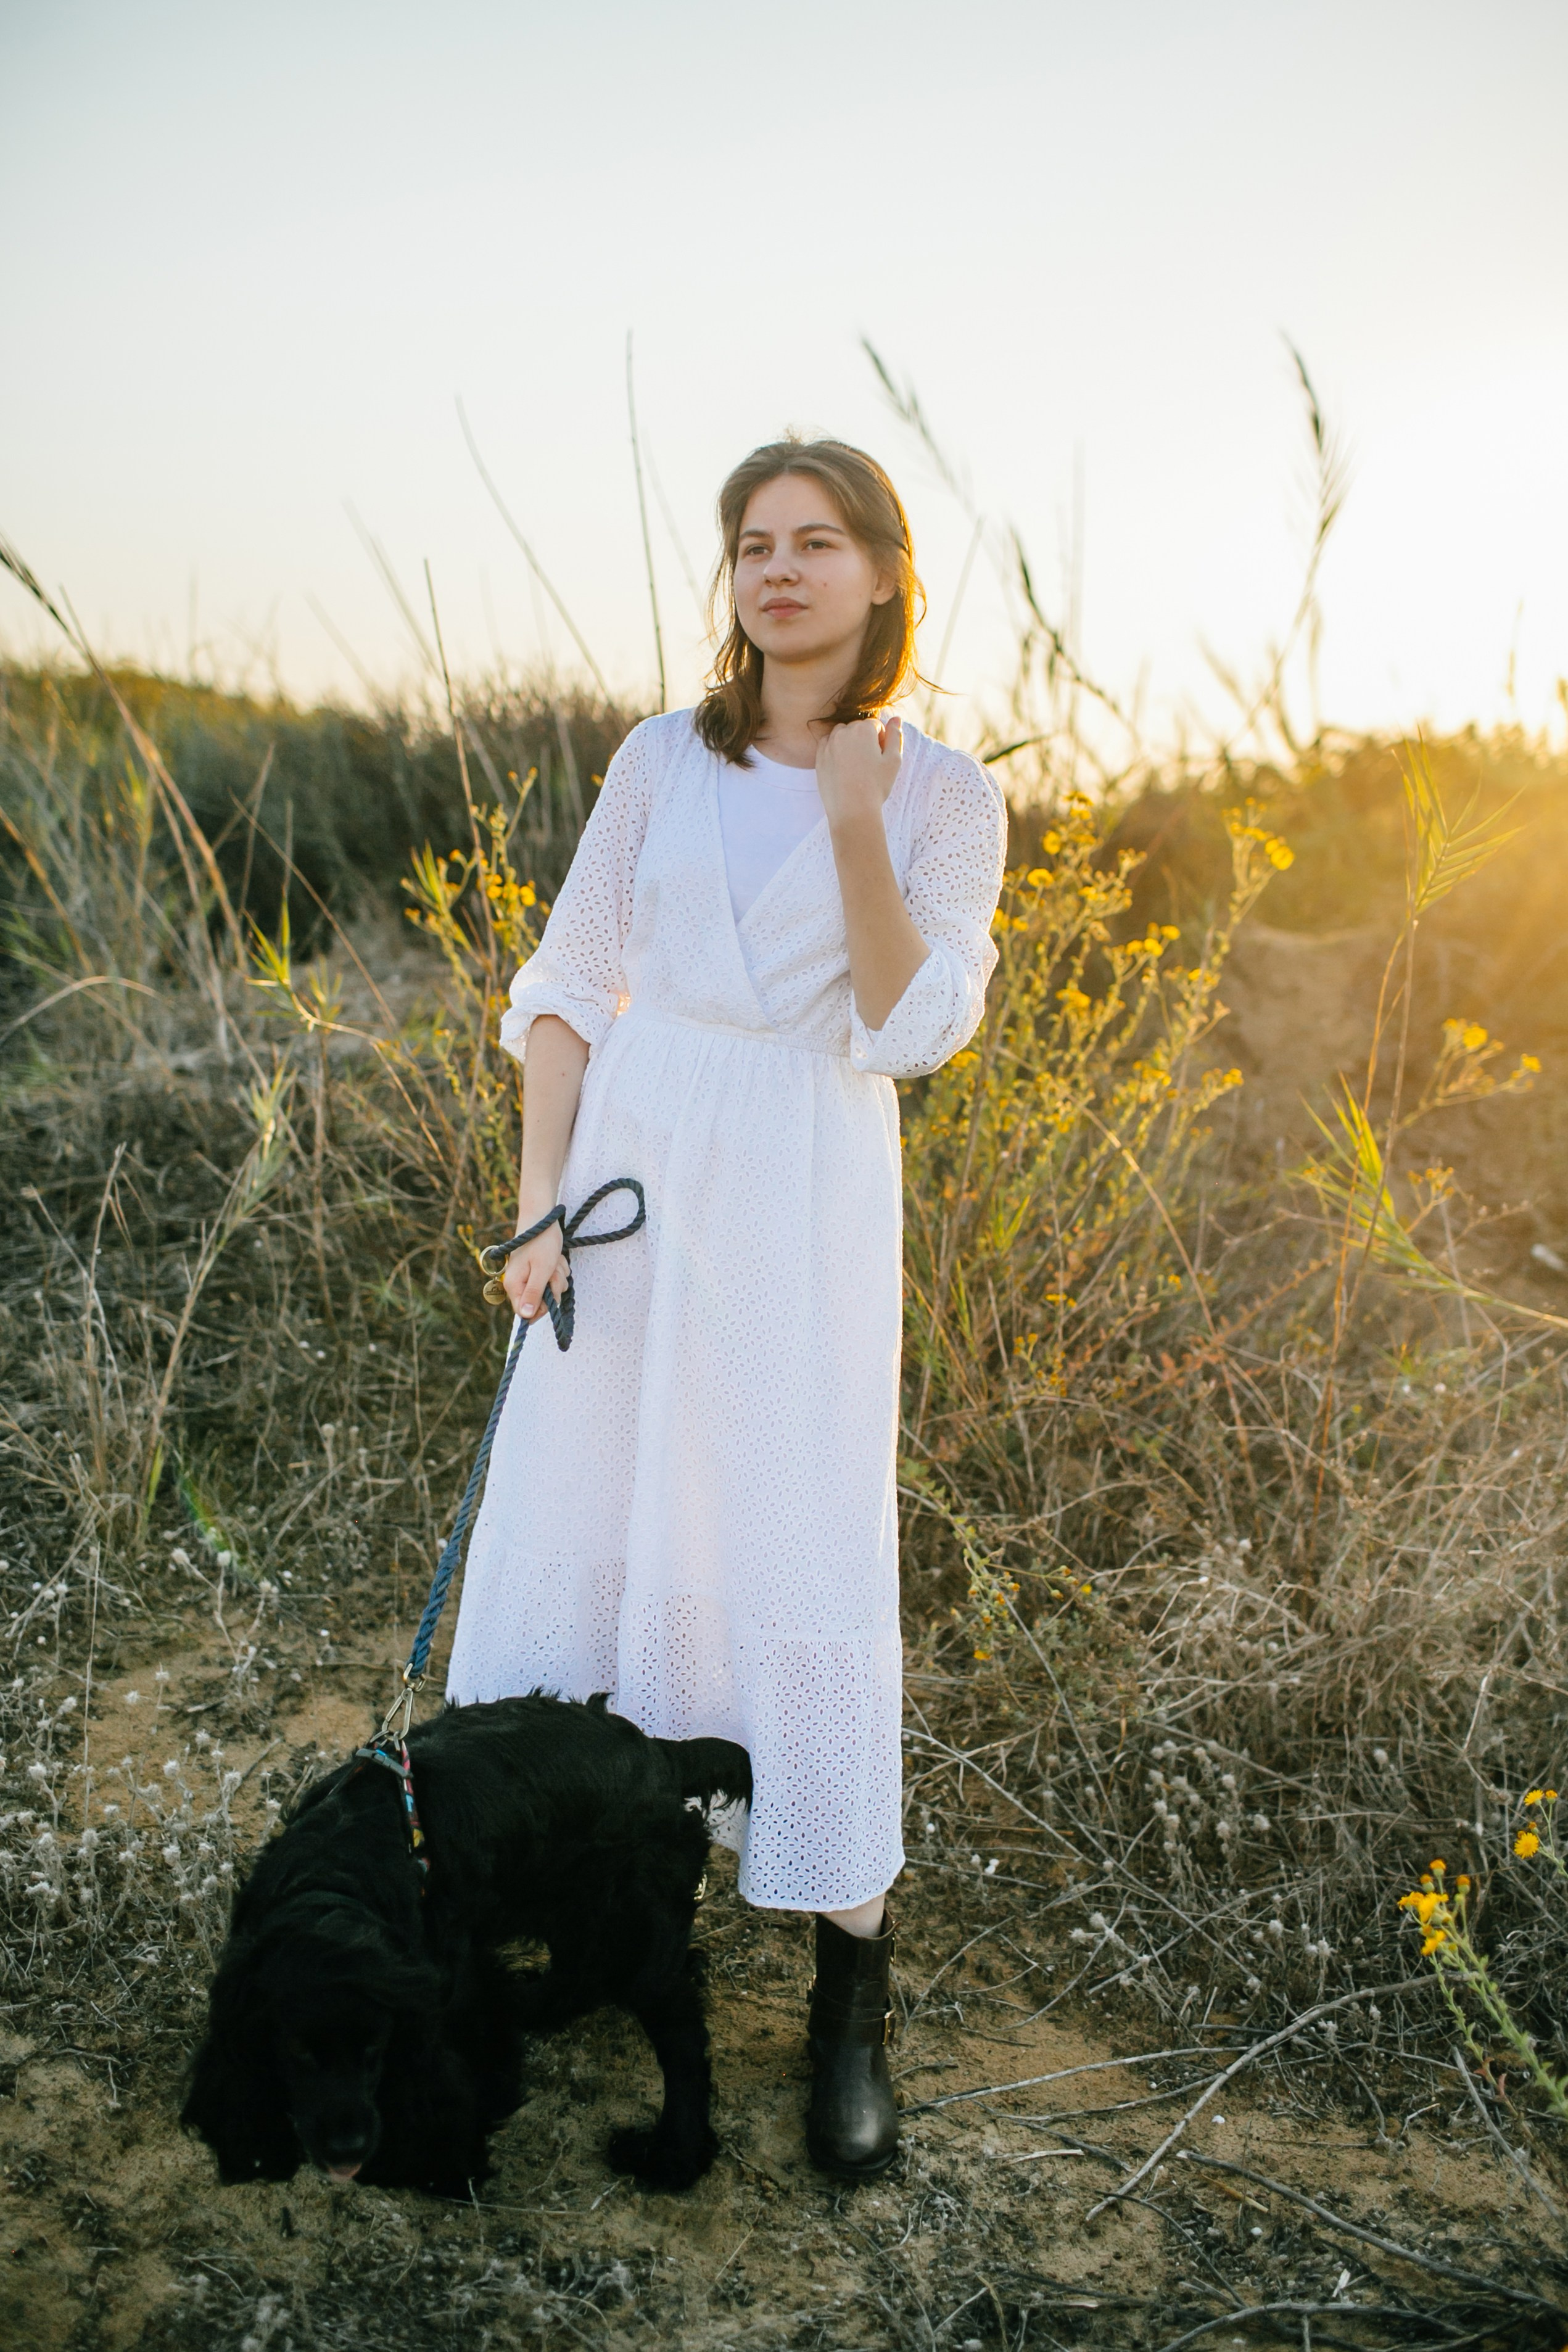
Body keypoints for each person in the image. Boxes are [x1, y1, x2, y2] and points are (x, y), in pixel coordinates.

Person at [445, 435, 1006, 2177]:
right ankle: (593, 1909)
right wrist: (539, 1206)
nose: (779, 568)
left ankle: (852, 1996)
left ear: (883, 573)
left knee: (795, 1547)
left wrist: (851, 814)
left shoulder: (946, 796)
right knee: (597, 1522)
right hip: (631, 1182)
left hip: (800, 1203)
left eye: (816, 541)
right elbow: (567, 986)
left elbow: (911, 1029)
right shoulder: (653, 760)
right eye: (755, 542)